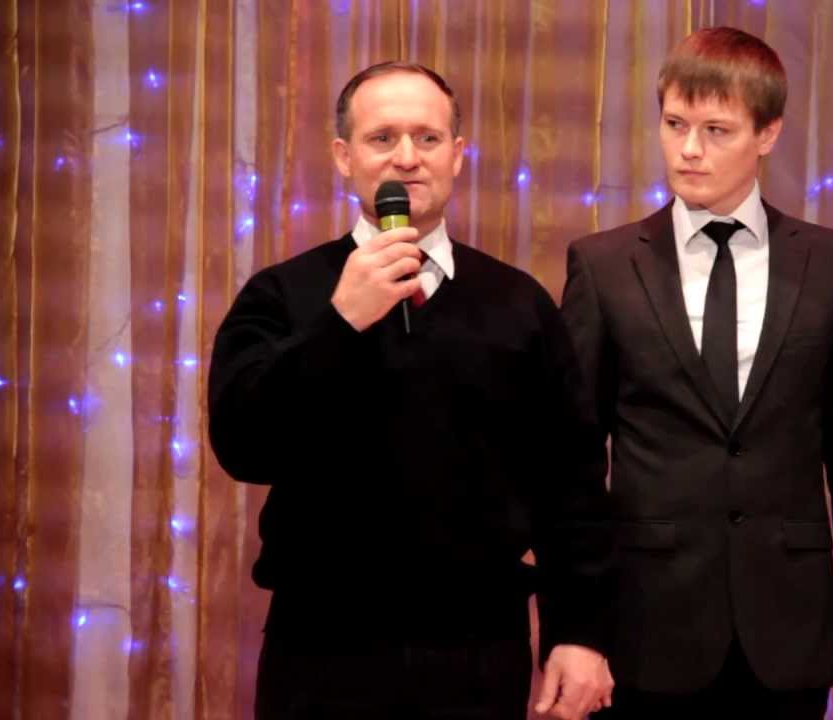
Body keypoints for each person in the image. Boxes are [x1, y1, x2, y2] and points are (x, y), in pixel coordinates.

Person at [208, 61, 613, 720]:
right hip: (323, 644)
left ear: (457, 154)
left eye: (427, 138)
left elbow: (570, 480)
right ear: (344, 156)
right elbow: (244, 445)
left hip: (477, 646)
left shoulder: (517, 302)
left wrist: (579, 629)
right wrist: (340, 322)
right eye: (382, 138)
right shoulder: (283, 294)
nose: (406, 158)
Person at [560, 27, 833, 720]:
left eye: (716, 130)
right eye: (675, 125)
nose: (689, 149)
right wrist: (577, 630)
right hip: (644, 629)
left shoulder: (831, 265)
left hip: (789, 634)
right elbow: (571, 469)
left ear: (767, 134)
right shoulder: (604, 266)